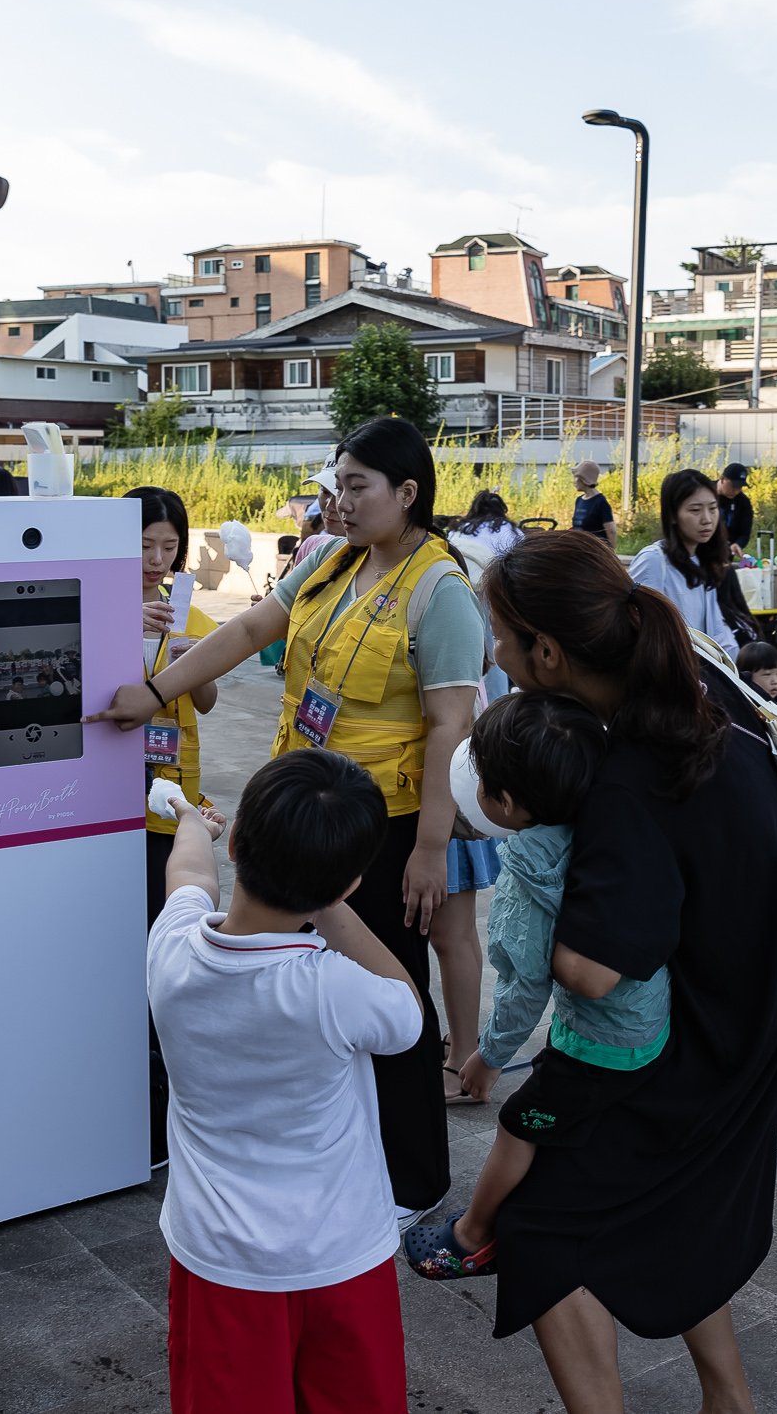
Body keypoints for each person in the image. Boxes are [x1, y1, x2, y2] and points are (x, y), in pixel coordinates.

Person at [90, 417, 479, 1217]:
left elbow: (450, 728)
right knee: (311, 984)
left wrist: (432, 849)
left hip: (383, 828)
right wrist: (155, 692)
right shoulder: (332, 561)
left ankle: (413, 1182)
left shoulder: (441, 591)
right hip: (305, 807)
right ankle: (339, 1146)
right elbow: (247, 629)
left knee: (390, 983)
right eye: (337, 482)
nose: (340, 498)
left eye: (358, 484)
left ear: (407, 493)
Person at [474, 532, 777, 1409]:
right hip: (758, 1020)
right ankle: (728, 1397)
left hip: (691, 1058)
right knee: (673, 1208)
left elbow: (590, 972)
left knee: (537, 1224)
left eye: (500, 637)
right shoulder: (700, 699)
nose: (494, 655)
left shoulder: (626, 776)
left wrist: (527, 915)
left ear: (547, 652)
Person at [149, 750, 421, 1414]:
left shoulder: (171, 950)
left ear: (237, 843)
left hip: (220, 1264)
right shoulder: (334, 989)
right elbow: (407, 1010)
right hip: (343, 1258)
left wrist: (189, 818)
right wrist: (327, 904)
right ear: (349, 886)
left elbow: (187, 872)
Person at [409, 690, 665, 1281]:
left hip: (598, 1041)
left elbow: (525, 988)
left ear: (504, 802)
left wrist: (488, 1057)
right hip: (652, 1018)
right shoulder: (610, 823)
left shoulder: (527, 872)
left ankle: (472, 1236)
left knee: (520, 1122)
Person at [127, 486, 219, 916]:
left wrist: (193, 666)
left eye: (169, 546)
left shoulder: (190, 617)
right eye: (144, 545)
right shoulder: (87, 609)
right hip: (106, 780)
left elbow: (206, 701)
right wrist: (119, 623)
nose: (156, 560)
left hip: (170, 783)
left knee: (156, 903)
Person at [627, 468, 738, 658]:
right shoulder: (654, 560)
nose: (707, 519)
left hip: (704, 676)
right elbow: (635, 626)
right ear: (672, 515)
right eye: (695, 510)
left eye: (712, 509)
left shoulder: (703, 560)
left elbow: (716, 631)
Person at [455, 488, 522, 559]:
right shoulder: (511, 531)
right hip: (495, 568)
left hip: (460, 568)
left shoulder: (461, 529)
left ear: (475, 509)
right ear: (501, 510)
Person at [568, 459, 614, 544]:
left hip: (595, 551)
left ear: (584, 478)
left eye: (576, 477)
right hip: (580, 549)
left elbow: (611, 531)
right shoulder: (579, 500)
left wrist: (611, 553)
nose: (574, 481)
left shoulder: (600, 502)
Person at [713, 462, 753, 558]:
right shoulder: (705, 491)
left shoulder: (743, 502)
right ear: (723, 479)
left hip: (725, 557)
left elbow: (744, 533)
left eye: (740, 487)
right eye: (734, 486)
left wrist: (738, 544)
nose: (736, 491)